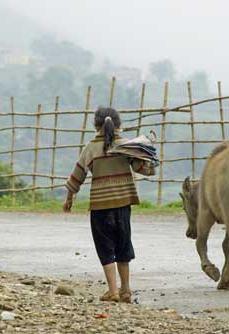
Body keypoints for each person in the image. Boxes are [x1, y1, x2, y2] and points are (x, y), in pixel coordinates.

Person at [63, 107, 154, 303]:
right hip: (123, 204)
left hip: (100, 205)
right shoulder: (127, 146)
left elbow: (77, 175)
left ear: (96, 125)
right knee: (123, 244)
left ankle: (113, 291)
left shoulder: (91, 148)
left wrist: (69, 198)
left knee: (105, 247)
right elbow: (144, 169)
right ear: (119, 125)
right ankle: (126, 290)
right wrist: (150, 158)